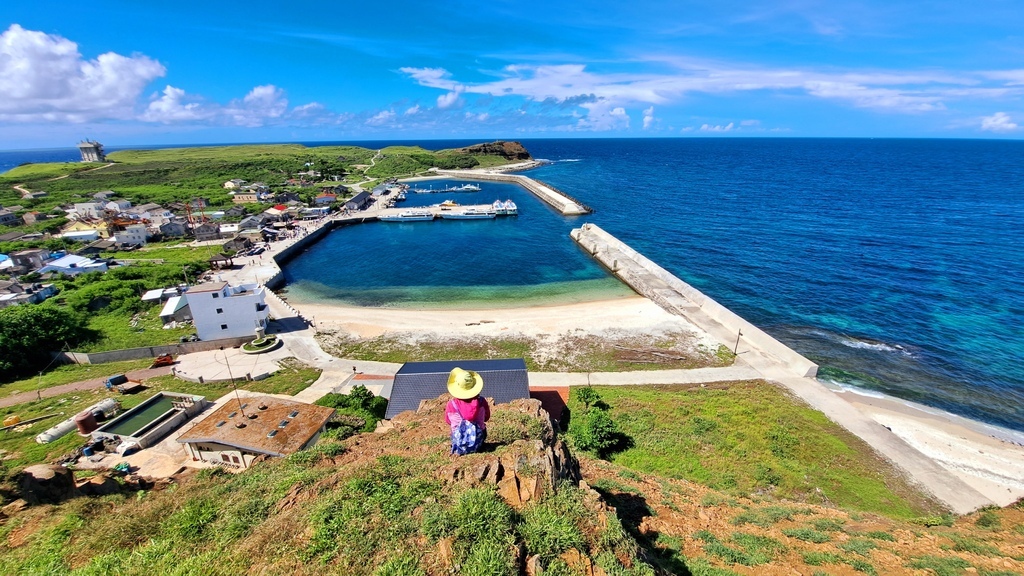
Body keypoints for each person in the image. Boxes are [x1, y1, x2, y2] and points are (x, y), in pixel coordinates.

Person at [444, 367, 490, 455]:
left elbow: (448, 421)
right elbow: (486, 418)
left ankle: (460, 448)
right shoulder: (481, 402)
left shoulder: (451, 404)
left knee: (454, 430)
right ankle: (477, 446)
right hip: (478, 438)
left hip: (459, 440)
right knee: (482, 428)